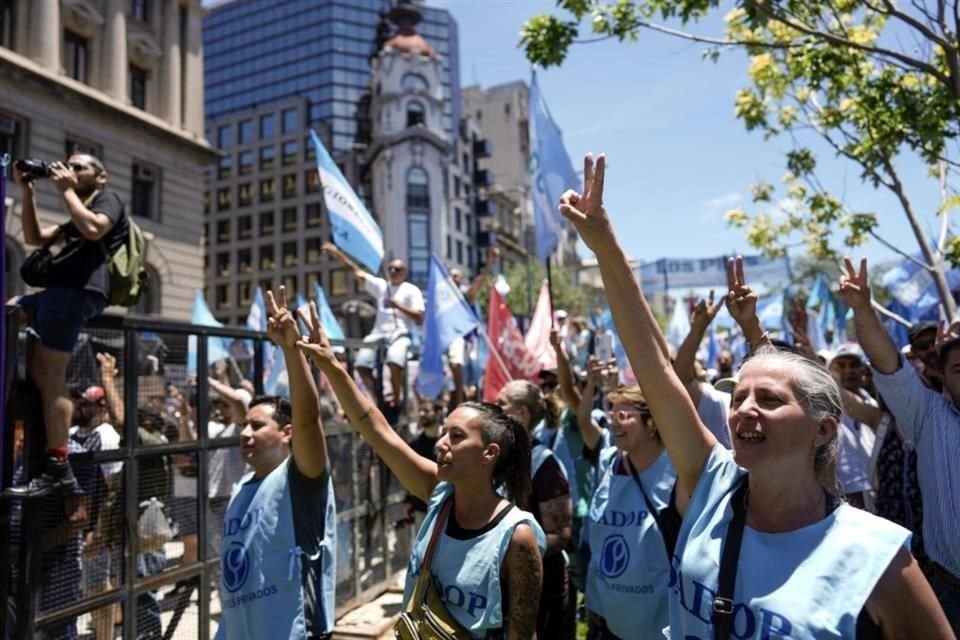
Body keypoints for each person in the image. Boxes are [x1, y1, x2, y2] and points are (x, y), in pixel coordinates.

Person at [558, 152, 952, 638]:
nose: (743, 408)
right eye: (739, 396)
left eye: (769, 399)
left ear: (823, 428)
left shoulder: (876, 558)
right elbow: (656, 369)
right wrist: (604, 246)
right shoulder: (711, 486)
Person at [295, 301, 545, 639]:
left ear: (489, 453)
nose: (441, 443)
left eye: (456, 436)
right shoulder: (438, 494)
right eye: (443, 432)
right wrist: (331, 366)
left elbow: (523, 633)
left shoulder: (517, 536)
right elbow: (376, 429)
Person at [842, 257, 960, 632]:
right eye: (959, 368)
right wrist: (863, 308)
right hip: (949, 592)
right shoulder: (928, 417)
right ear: (942, 374)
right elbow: (888, 363)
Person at [215, 287, 336, 640]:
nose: (245, 434)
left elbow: (308, 420)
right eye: (243, 426)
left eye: (256, 425)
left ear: (286, 433)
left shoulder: (301, 477)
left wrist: (290, 349)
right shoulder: (241, 489)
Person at [8, 153, 129, 497]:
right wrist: (27, 189)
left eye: (80, 167)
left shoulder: (108, 199)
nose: (71, 170)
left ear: (100, 176)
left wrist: (65, 191)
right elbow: (33, 237)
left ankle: (58, 466)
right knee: (11, 311)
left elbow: (94, 229)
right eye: (68, 165)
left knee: (51, 377)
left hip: (77, 292)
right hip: (55, 292)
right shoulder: (76, 209)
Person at [584, 384, 678, 640]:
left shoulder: (676, 470)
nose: (613, 423)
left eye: (624, 416)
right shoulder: (608, 462)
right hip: (607, 616)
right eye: (612, 415)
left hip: (659, 622)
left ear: (651, 423)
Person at [496, 380, 574, 640]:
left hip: (544, 593)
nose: (493, 412)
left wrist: (513, 558)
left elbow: (561, 534)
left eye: (501, 405)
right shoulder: (499, 462)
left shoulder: (544, 464)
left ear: (521, 413)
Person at [323, 242, 424, 408]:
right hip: (378, 333)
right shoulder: (382, 286)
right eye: (390, 268)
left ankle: (396, 398)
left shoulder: (411, 290)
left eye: (397, 269)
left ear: (405, 273)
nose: (392, 271)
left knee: (394, 360)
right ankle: (377, 397)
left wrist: (398, 306)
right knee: (361, 365)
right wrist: (336, 253)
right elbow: (355, 271)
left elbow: (419, 317)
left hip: (400, 334)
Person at [827, 343, 877, 508]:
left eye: (854, 365)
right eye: (840, 365)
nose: (848, 371)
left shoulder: (873, 405)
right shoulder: (825, 410)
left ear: (863, 370)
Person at [403, 398, 443, 532]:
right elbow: (409, 474)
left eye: (426, 410)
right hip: (422, 507)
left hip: (446, 506)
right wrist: (408, 501)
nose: (421, 414)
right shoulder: (416, 444)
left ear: (438, 413)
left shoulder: (447, 440)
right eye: (420, 410)